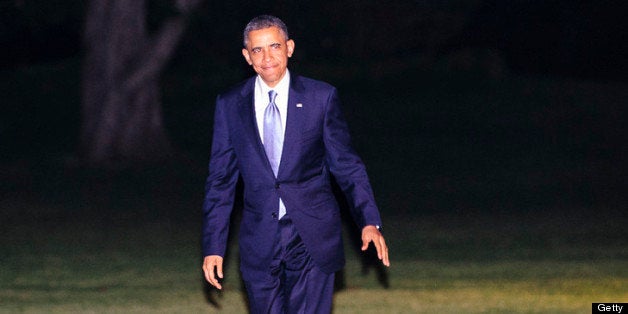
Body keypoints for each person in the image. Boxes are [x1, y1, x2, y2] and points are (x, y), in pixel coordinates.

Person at [201, 15, 389, 313]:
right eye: (257, 50)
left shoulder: (320, 97)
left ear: (289, 47)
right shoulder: (230, 104)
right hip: (259, 238)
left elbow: (347, 165)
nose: (267, 57)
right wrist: (213, 246)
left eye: (274, 46)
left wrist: (369, 220)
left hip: (312, 235)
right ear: (246, 56)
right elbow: (220, 181)